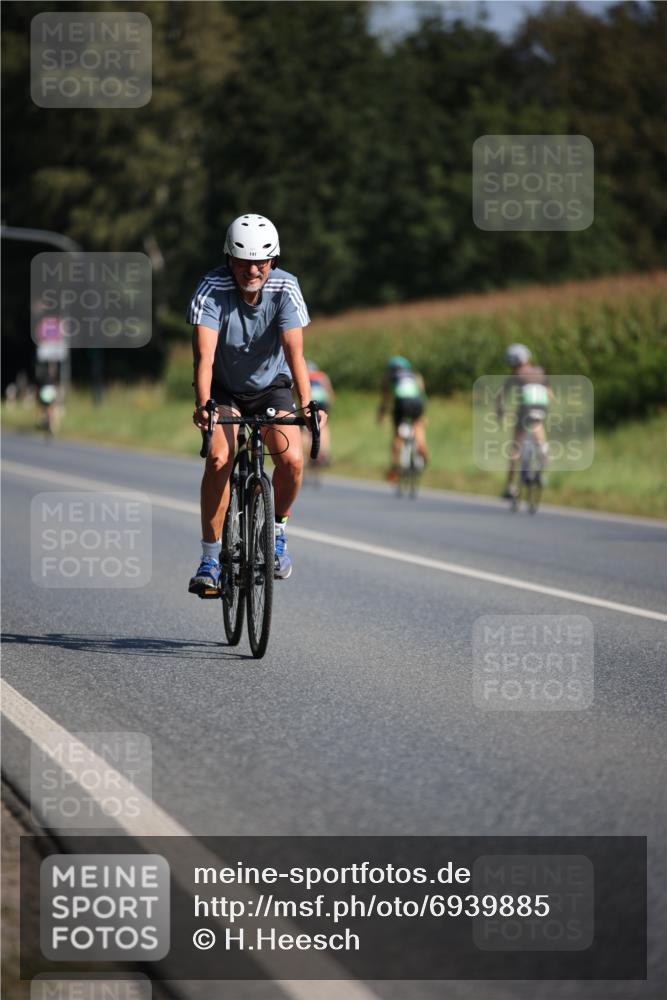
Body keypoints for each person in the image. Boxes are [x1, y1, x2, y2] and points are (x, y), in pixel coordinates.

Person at [186, 213, 326, 596]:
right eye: (244, 261)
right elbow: (205, 358)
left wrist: (309, 405)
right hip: (224, 388)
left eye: (261, 261)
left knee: (293, 459)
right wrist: (204, 405)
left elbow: (296, 355)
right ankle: (211, 558)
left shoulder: (286, 287)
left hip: (271, 387)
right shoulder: (211, 288)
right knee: (218, 458)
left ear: (273, 260)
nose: (253, 270)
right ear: (229, 258)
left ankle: (277, 532)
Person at [496, 343, 551, 499]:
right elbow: (550, 394)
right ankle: (543, 450)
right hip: (541, 407)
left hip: (525, 409)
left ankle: (510, 486)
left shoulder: (517, 375)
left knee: (515, 447)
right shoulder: (540, 371)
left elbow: (501, 396)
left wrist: (500, 412)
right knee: (537, 424)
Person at [377, 356, 428, 481]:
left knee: (397, 435)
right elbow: (422, 394)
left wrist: (382, 415)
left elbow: (385, 400)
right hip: (417, 403)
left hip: (402, 403)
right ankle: (422, 446)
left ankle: (394, 468)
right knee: (417, 425)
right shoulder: (415, 375)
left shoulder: (389, 377)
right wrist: (424, 415)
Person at [304, 359, 334, 465]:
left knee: (307, 428)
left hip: (310, 402)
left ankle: (308, 456)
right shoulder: (321, 375)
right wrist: (330, 405)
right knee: (323, 427)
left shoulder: (304, 375)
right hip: (322, 402)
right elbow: (329, 391)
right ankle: (324, 453)